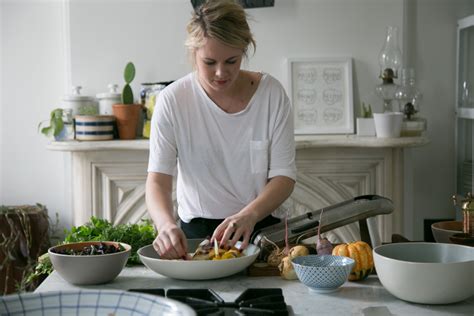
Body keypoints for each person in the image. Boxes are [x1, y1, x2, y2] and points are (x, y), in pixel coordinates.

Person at [146, 0, 296, 260]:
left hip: (263, 227)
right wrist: (165, 225)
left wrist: (248, 215)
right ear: (193, 54)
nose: (220, 73)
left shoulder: (271, 94)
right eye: (209, 62)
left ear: (244, 49)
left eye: (231, 61)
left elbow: (284, 177)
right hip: (196, 233)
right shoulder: (172, 100)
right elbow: (158, 179)